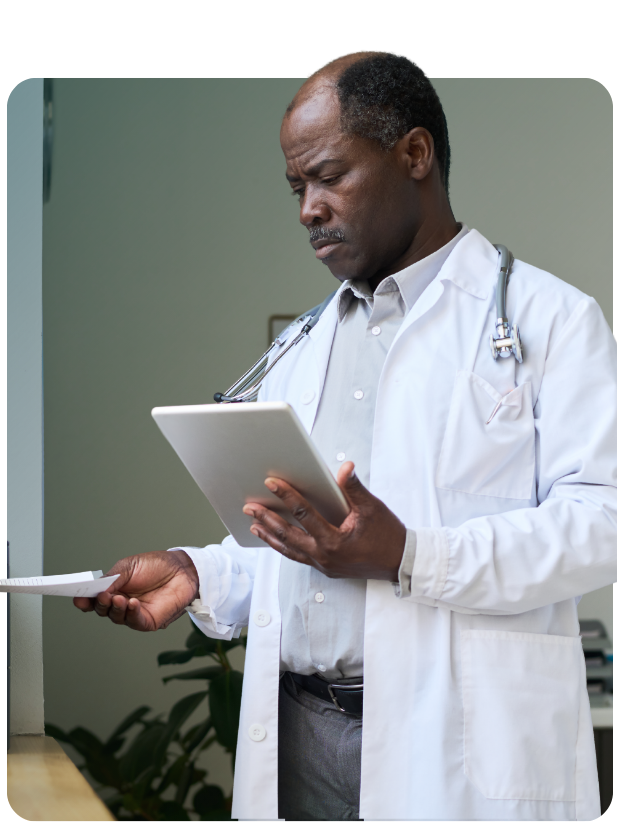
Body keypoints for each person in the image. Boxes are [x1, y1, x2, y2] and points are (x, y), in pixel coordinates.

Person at [74, 52, 619, 821]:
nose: (308, 209)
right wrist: (200, 573)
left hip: (455, 747)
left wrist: (410, 555)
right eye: (297, 188)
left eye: (329, 177)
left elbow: (604, 523)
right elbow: (302, 547)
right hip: (300, 738)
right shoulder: (303, 347)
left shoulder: (552, 321)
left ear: (415, 154)